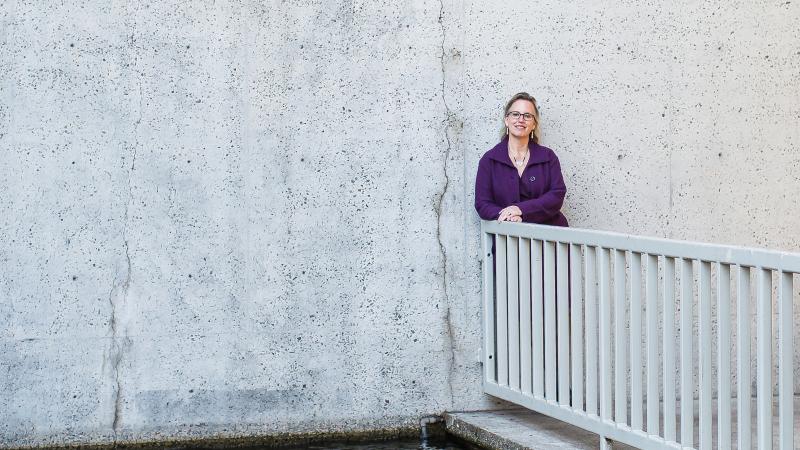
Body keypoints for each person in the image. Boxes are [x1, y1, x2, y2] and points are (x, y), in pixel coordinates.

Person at [474, 92, 568, 226]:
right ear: (507, 120)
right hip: (508, 239)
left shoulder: (548, 157)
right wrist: (508, 217)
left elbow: (557, 195)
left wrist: (521, 210)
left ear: (534, 124)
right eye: (515, 114)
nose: (521, 119)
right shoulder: (489, 160)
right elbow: (482, 203)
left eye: (527, 116)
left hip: (550, 240)